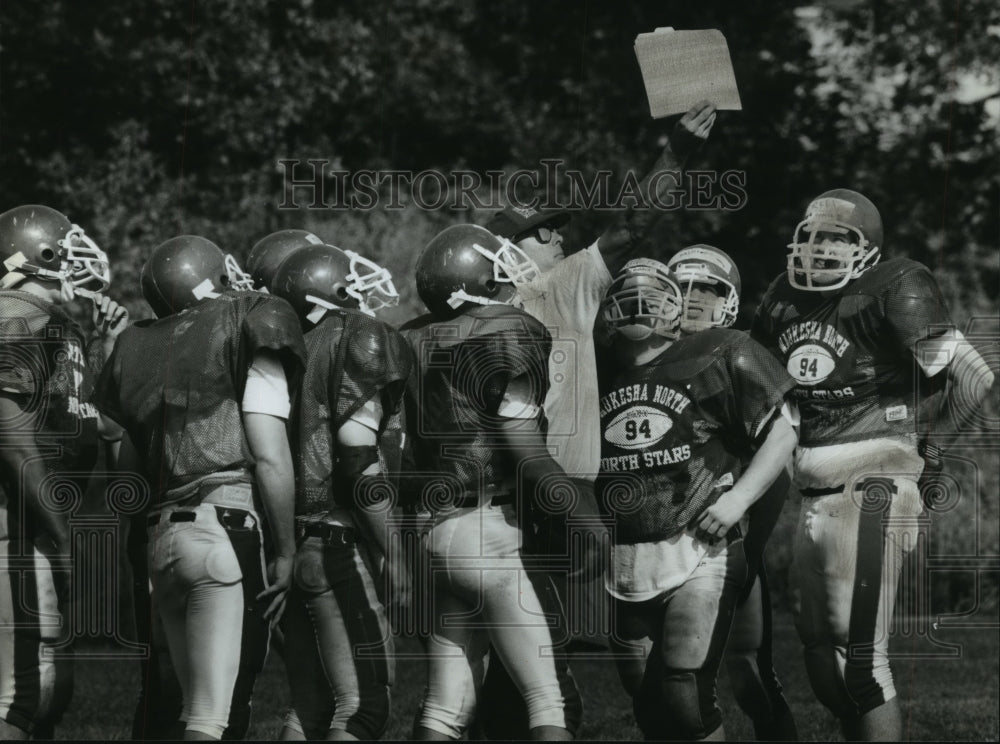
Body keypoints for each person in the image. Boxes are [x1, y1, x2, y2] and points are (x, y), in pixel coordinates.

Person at [474, 99, 718, 739]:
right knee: (548, 679)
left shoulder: (467, 316)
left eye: (558, 228)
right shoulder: (559, 288)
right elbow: (632, 225)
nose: (559, 237)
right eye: (544, 231)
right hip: (546, 498)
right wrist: (677, 153)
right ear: (509, 249)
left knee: (511, 670)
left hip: (495, 503)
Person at [750, 188, 995, 741]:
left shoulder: (894, 286)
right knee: (818, 650)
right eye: (810, 235)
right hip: (814, 494)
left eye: (837, 237)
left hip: (874, 486)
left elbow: (975, 377)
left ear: (868, 248)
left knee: (860, 660)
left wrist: (929, 451)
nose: (819, 248)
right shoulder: (783, 297)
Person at [95, 234, 305, 740]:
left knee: (187, 709)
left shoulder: (136, 345)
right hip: (224, 530)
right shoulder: (250, 319)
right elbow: (270, 455)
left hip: (162, 538)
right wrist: (285, 548)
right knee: (216, 716)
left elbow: (126, 478)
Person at [596, 257, 798, 741]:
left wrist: (738, 503)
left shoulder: (726, 349)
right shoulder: (598, 365)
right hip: (627, 553)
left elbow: (783, 434)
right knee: (647, 699)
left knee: (688, 687)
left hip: (702, 542)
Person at [403, 224, 579, 741]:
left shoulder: (411, 336)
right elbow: (521, 445)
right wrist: (579, 514)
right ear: (476, 275)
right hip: (489, 528)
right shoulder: (509, 329)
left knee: (442, 708)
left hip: (431, 531)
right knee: (548, 700)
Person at [265, 243, 410, 741]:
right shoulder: (357, 335)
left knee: (308, 706)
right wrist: (394, 550)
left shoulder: (284, 351)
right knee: (362, 707)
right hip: (339, 543)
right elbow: (357, 458)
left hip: (296, 541)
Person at [0, 204, 126, 739]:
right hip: (15, 525)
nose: (80, 254)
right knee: (20, 699)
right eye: (64, 245)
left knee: (48, 698)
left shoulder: (56, 324)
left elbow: (85, 420)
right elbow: (12, 437)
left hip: (37, 526)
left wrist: (107, 347)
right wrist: (62, 535)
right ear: (35, 254)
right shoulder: (12, 313)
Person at [665, 244, 798, 740]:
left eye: (708, 288)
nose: (693, 297)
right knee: (661, 682)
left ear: (729, 301)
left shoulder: (737, 351)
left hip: (724, 540)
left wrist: (749, 543)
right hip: (654, 546)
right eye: (681, 286)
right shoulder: (637, 354)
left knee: (748, 675)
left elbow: (780, 455)